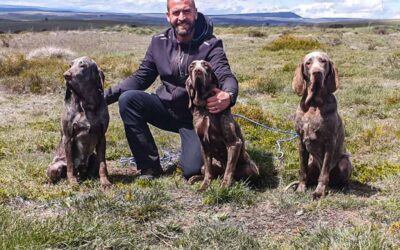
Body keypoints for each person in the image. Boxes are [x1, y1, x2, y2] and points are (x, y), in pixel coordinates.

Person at [104, 0, 238, 179]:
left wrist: (228, 95)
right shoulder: (159, 42)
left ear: (195, 13)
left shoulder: (211, 45)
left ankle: (194, 155)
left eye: (186, 12)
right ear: (168, 16)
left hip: (195, 118)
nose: (182, 18)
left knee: (191, 169)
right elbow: (140, 78)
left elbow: (225, 75)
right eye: (176, 13)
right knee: (129, 100)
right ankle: (149, 167)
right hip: (164, 108)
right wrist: (102, 98)